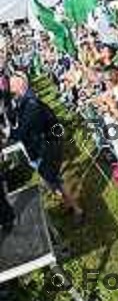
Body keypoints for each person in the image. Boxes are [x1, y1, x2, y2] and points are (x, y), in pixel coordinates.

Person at [8, 71, 82, 219]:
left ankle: (77, 209)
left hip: (48, 147)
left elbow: (22, 131)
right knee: (50, 180)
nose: (8, 87)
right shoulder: (24, 101)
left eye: (11, 84)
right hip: (41, 147)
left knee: (54, 180)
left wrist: (7, 136)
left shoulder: (31, 104)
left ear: (19, 85)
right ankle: (68, 204)